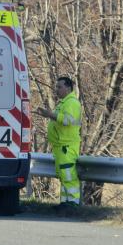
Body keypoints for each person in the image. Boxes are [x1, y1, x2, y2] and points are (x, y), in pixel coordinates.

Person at [37, 76, 82, 212]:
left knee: (69, 176)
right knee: (63, 176)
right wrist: (48, 114)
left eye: (59, 87)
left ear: (68, 88)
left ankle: (73, 203)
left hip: (67, 147)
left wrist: (50, 115)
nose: (57, 90)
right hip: (60, 147)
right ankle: (65, 202)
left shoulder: (72, 103)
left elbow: (68, 120)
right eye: (56, 87)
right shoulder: (63, 102)